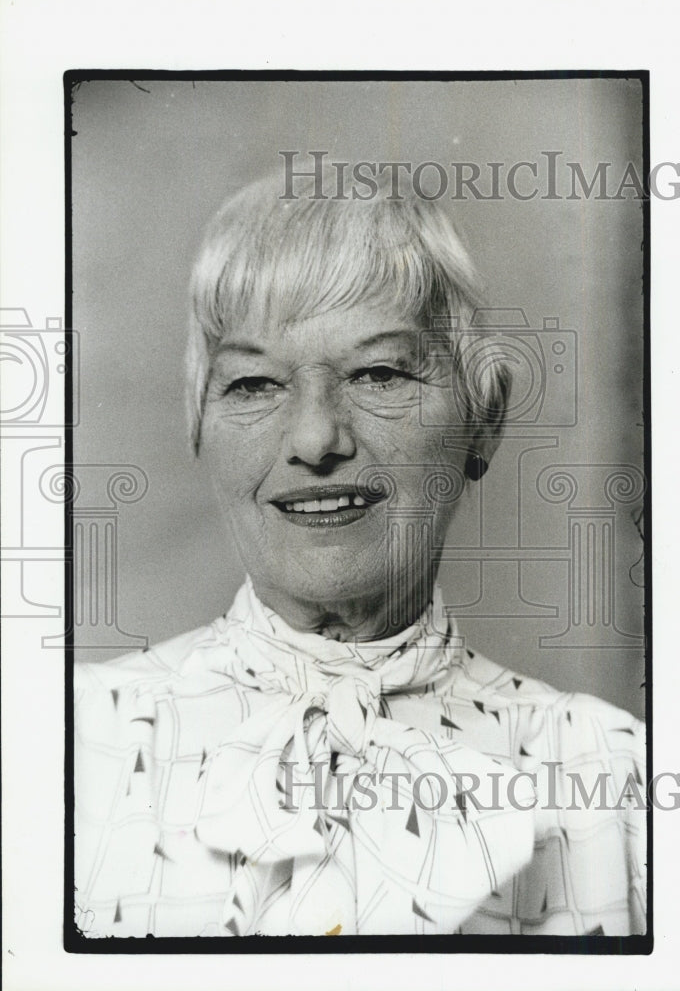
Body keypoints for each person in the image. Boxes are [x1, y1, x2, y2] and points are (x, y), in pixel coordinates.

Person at [73, 169, 646, 938]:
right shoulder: (67, 748)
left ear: (485, 418)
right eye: (253, 384)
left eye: (378, 373)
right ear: (198, 425)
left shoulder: (615, 777)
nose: (316, 440)